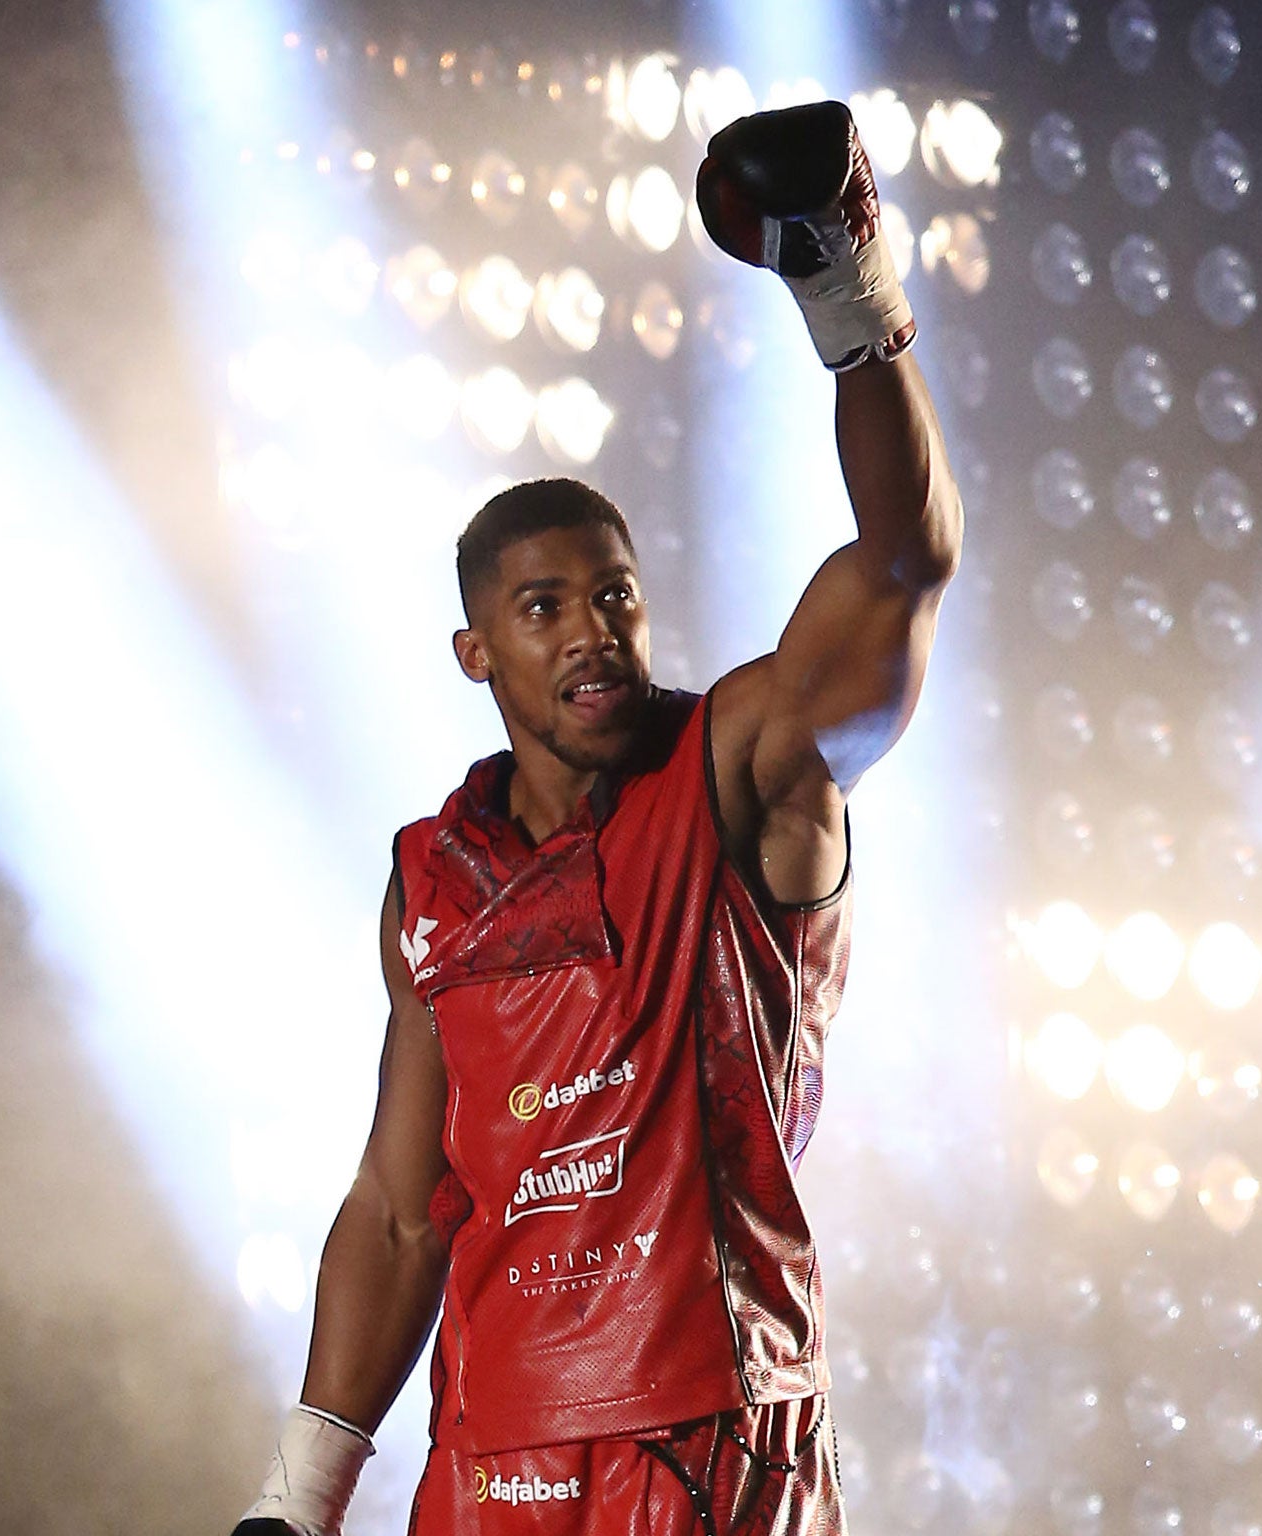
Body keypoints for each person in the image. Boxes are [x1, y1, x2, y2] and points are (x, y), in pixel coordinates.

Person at [234, 100, 962, 1536]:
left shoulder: (742, 763)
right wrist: (295, 1502)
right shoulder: (431, 877)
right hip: (490, 1455)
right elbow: (398, 1210)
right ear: (477, 653)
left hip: (707, 1439)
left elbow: (900, 563)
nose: (594, 633)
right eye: (545, 607)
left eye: (614, 596)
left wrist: (847, 291)